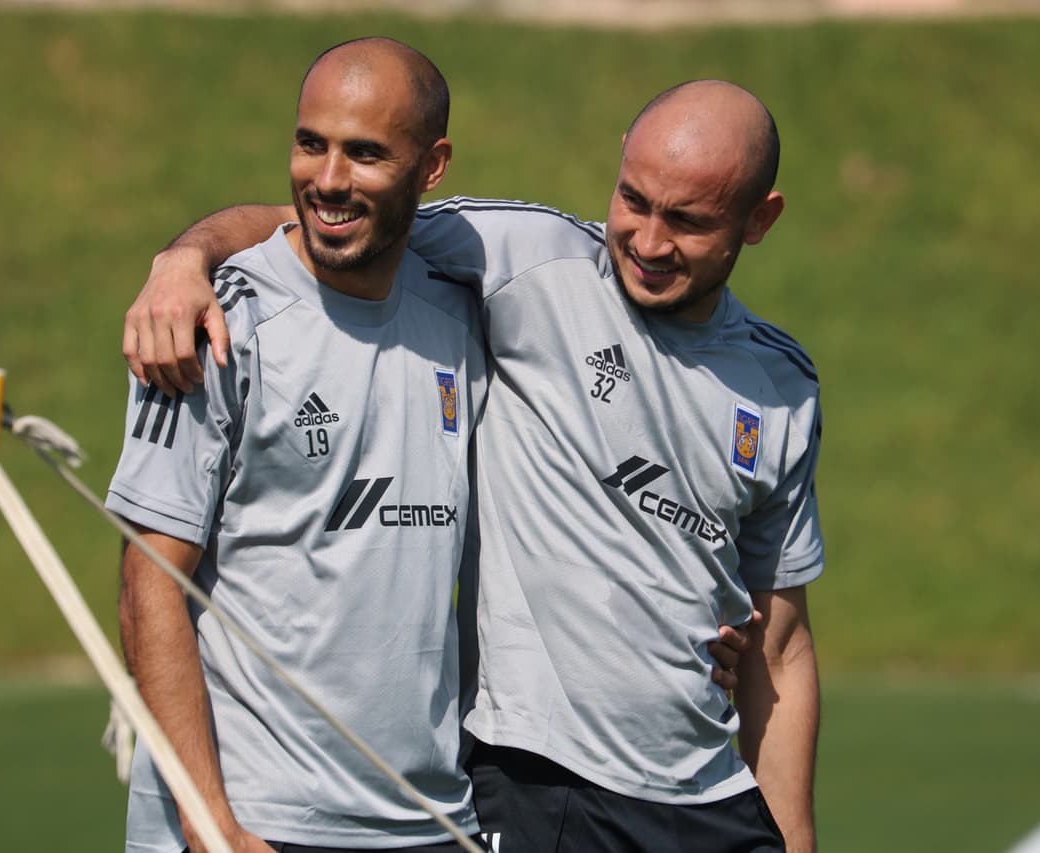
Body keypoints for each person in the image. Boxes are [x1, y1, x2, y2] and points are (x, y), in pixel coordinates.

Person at [125, 79, 820, 852]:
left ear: (760, 220)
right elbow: (335, 218)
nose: (650, 243)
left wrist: (792, 835)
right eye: (634, 201)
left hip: (711, 797)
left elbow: (780, 645)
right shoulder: (524, 257)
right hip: (536, 782)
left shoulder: (783, 383)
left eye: (688, 221)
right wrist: (185, 258)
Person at [108, 38, 489, 852]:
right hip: (255, 822)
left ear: (433, 166)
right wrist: (213, 825)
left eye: (365, 153)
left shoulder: (465, 316)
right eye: (311, 142)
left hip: (429, 823)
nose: (327, 179)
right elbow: (149, 584)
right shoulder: (216, 323)